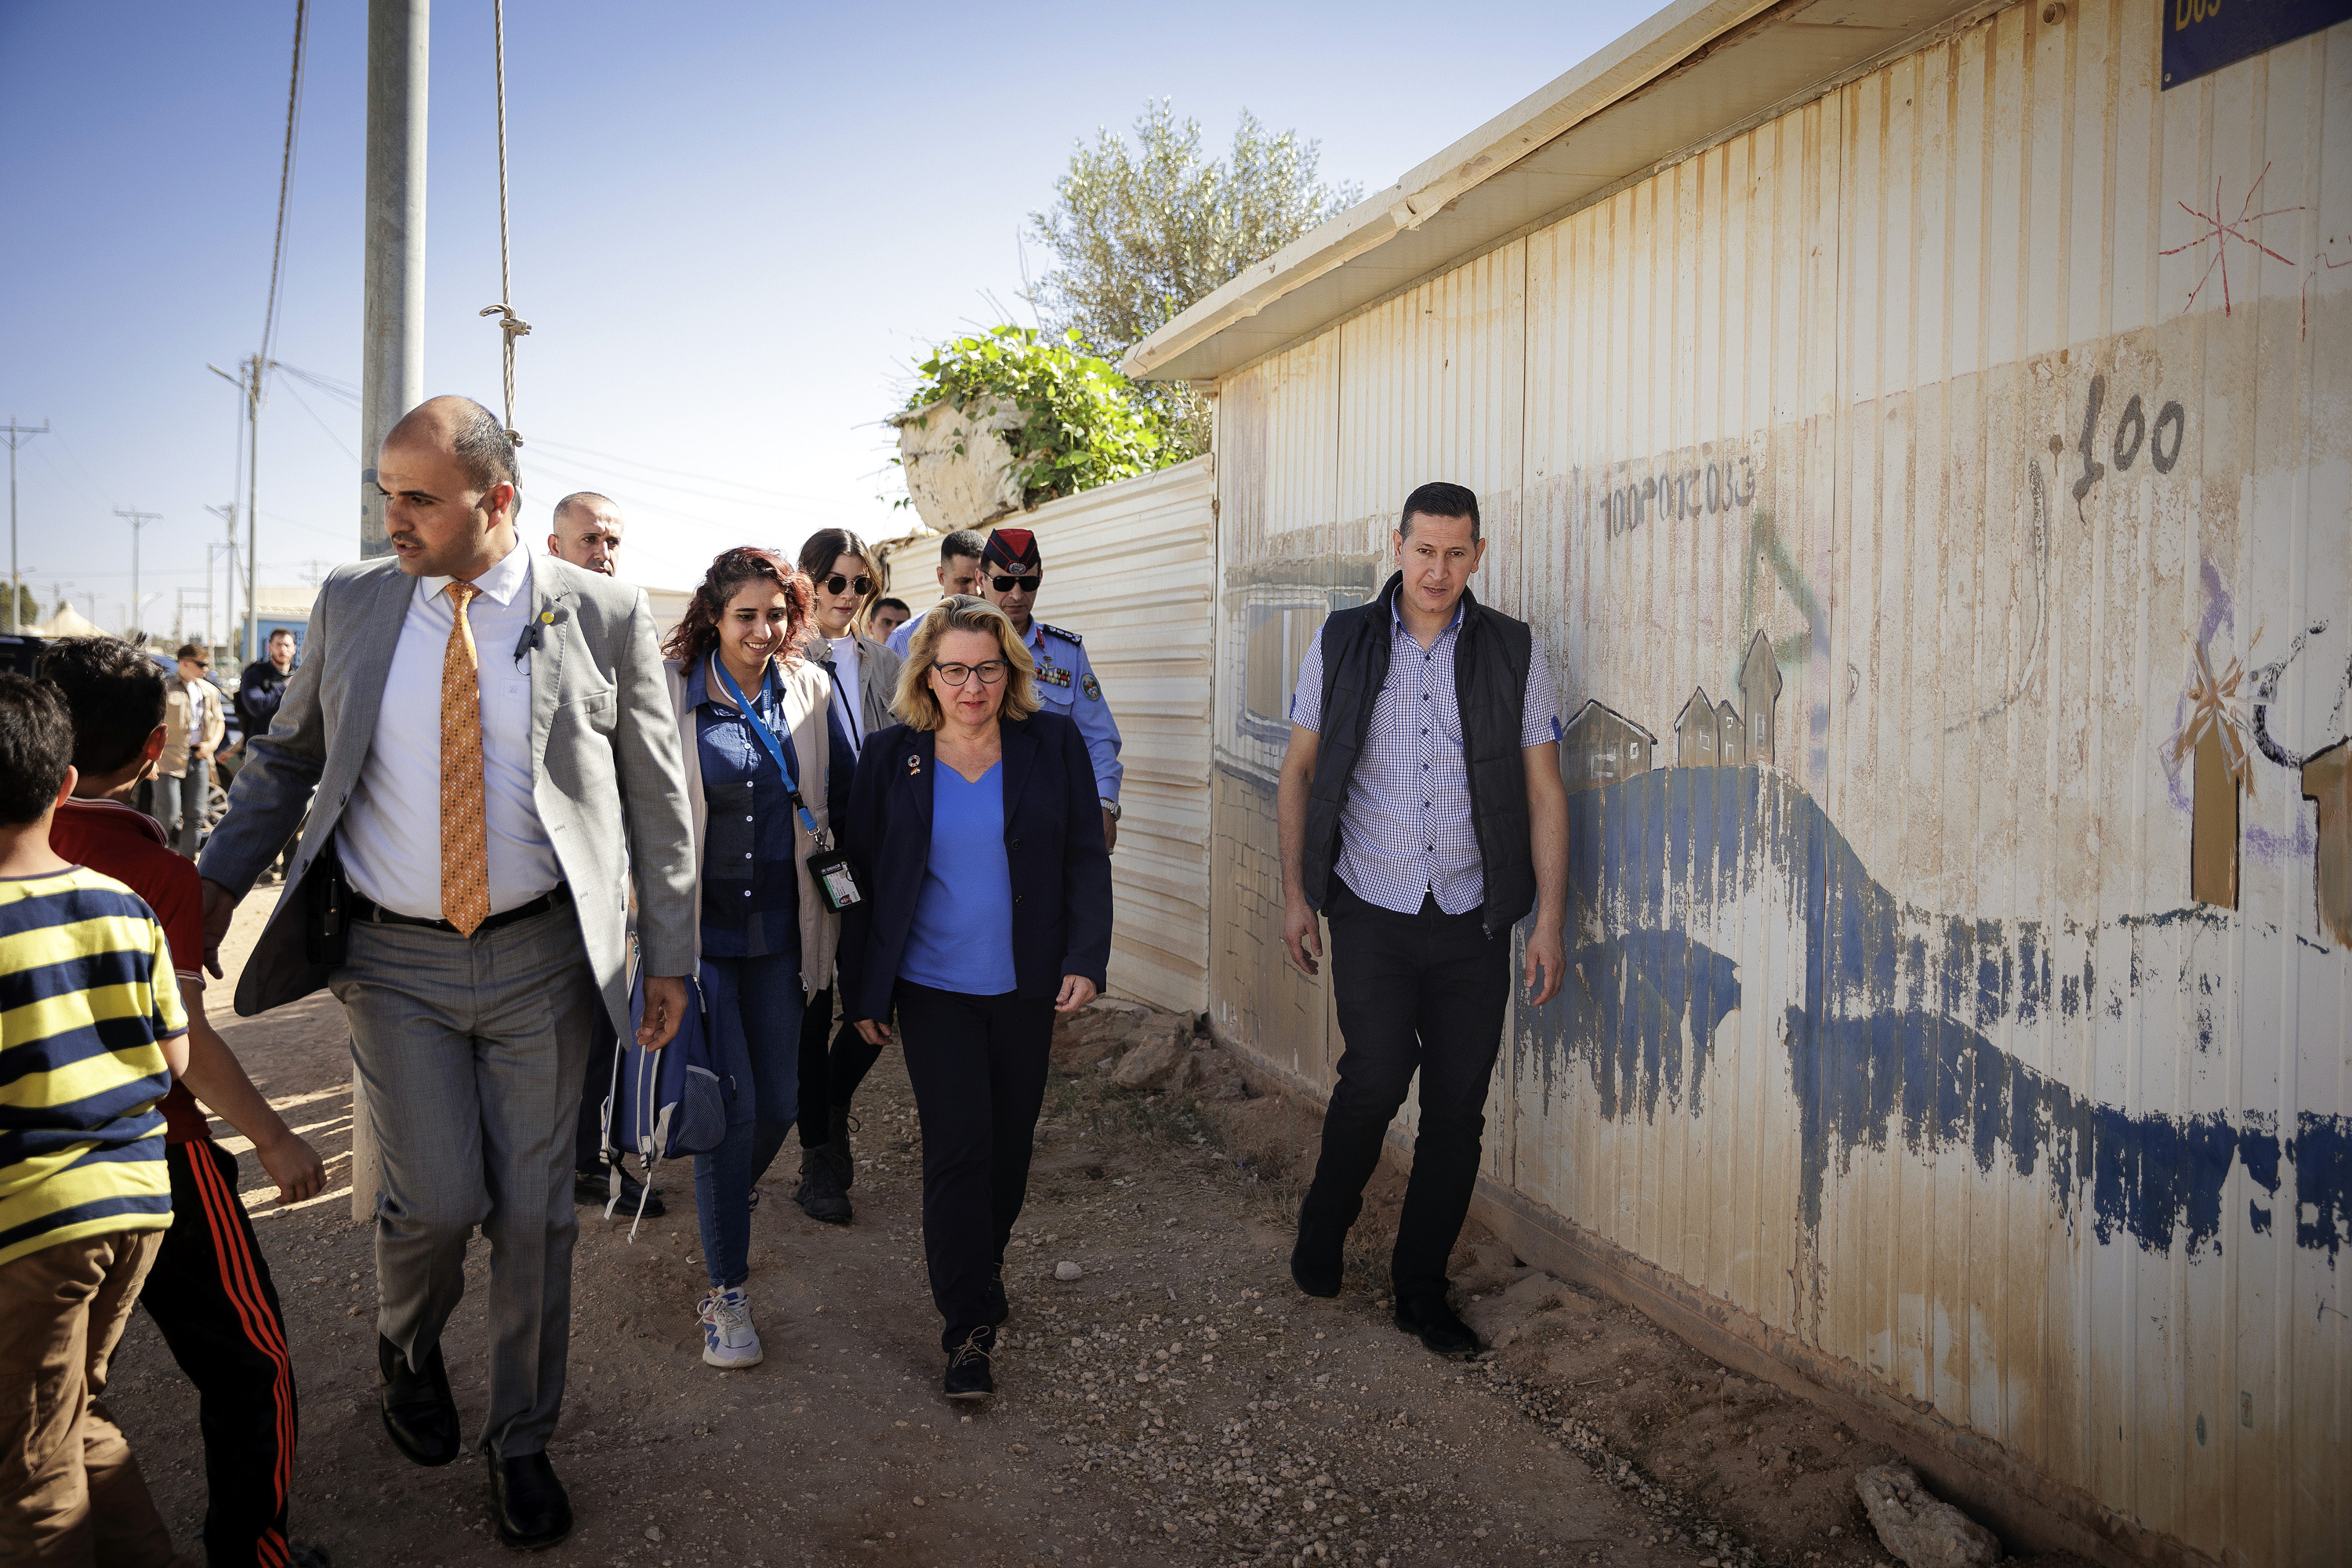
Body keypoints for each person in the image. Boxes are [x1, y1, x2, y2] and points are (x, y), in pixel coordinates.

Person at [196, 395, 697, 1552]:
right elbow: (289, 758)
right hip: (395, 963)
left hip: (542, 961)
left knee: (535, 1222)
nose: (394, 517)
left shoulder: (605, 612)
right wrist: (214, 884)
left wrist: (668, 950)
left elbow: (656, 795)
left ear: (498, 501)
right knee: (431, 1210)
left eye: (417, 497)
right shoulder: (357, 602)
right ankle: (406, 1347)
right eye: (386, 492)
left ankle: (521, 1441)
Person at [40, 637, 331, 1568]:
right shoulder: (152, 870)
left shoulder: (20, 836)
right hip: (153, 1151)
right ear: (157, 748)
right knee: (252, 1362)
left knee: (68, 1387)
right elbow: (184, 1043)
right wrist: (276, 1136)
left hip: (33, 1162)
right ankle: (254, 1550)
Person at [1277, 481, 1569, 1357]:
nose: (1438, 569)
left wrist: (1546, 920)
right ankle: (1324, 1224)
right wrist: (1297, 894)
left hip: (1473, 915)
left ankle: (1420, 1288)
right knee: (1373, 1074)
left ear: (1479, 553)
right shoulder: (1343, 640)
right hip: (1371, 900)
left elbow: (1545, 791)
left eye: (1456, 551)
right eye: (1424, 549)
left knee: (1456, 1107)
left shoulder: (1515, 650)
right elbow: (1298, 772)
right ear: (1395, 545)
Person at [839, 598, 1112, 1400]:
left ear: (1011, 672)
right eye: (954, 668)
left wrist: (1085, 956)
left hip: (1026, 983)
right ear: (927, 672)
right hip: (934, 989)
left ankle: (983, 1257)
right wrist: (865, 987)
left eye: (987, 668)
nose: (971, 684)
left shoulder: (1052, 743)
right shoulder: (892, 758)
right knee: (958, 1147)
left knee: (1010, 1148)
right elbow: (859, 882)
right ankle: (966, 1330)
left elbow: (1083, 860)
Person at [0, 672, 194, 1564]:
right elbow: (174, 1059)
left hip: (30, 1226)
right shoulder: (124, 904)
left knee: (29, 1484)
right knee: (77, 1419)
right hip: (134, 1205)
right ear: (65, 784)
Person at [658, 547, 853, 1368]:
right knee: (731, 1111)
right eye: (746, 615)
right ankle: (726, 1293)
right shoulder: (672, 690)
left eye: (776, 614)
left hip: (784, 932)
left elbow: (847, 790)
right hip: (700, 939)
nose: (764, 630)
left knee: (780, 1101)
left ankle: (723, 1188)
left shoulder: (808, 686)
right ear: (714, 615)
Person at [541, 492, 664, 1220]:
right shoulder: (521, 627)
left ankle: (592, 1157)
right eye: (589, 539)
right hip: (530, 879)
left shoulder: (626, 627)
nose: (604, 552)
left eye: (613, 540)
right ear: (552, 547)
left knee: (601, 1026)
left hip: (605, 876)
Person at [789, 527, 905, 1226]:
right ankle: (817, 1156)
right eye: (837, 582)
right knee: (812, 1000)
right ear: (806, 582)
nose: (850, 597)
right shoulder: (778, 658)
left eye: (862, 585)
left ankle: (829, 1104)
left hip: (875, 853)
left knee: (873, 998)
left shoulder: (886, 665)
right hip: (811, 853)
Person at [977, 527, 1126, 853]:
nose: (1016, 595)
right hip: (973, 814)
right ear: (981, 578)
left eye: (1027, 583)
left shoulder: (1065, 653)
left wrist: (1105, 803)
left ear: (1041, 578)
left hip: (1048, 819)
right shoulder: (956, 649)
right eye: (1003, 583)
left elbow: (1098, 737)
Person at [234, 629, 301, 884]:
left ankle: (290, 866)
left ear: (294, 649)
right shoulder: (256, 674)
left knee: (292, 811)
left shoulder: (302, 674)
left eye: (287, 645)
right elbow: (255, 705)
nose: (283, 649)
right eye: (278, 645)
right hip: (261, 751)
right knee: (261, 812)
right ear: (269, 648)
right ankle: (264, 867)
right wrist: (284, 689)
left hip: (294, 749)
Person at [160, 642, 226, 860]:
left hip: (199, 758)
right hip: (168, 760)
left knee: (195, 816)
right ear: (184, 663)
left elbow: (219, 721)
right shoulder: (164, 688)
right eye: (201, 664)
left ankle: (187, 864)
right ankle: (156, 859)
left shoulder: (209, 691)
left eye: (207, 664)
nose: (205, 669)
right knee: (166, 816)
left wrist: (212, 745)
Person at [882, 528, 988, 658]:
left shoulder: (1001, 630)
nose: (975, 591)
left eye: (981, 580)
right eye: (964, 581)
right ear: (942, 576)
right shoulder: (904, 639)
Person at [546, 492, 624, 576]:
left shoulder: (631, 589)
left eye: (613, 542)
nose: (605, 555)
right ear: (555, 546)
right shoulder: (533, 588)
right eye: (589, 540)